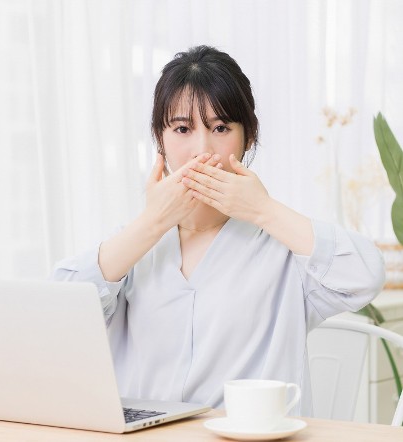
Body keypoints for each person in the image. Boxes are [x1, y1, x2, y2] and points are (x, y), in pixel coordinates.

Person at [52, 45, 385, 416]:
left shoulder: (283, 248)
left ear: (248, 137)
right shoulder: (135, 245)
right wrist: (153, 222)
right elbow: (57, 314)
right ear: (160, 139)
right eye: (182, 129)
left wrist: (262, 209)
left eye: (221, 128)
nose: (201, 150)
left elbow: (365, 275)